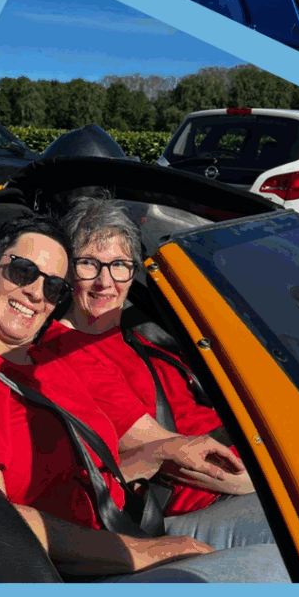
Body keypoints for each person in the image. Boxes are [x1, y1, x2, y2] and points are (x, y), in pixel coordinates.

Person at [0, 214, 284, 581]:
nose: (35, 293)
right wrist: (146, 551)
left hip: (130, 527)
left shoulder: (45, 363)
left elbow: (94, 472)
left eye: (52, 286)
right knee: (274, 571)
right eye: (23, 271)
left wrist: (160, 455)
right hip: (74, 573)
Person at [40, 193, 281, 555]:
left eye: (119, 264)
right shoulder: (66, 351)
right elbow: (167, 453)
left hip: (249, 457)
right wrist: (281, 474)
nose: (106, 282)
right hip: (202, 499)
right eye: (89, 264)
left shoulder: (135, 332)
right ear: (67, 272)